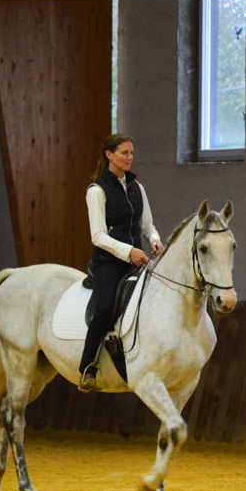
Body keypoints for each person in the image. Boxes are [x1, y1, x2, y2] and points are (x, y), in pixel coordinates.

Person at [78, 133, 163, 392]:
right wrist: (129, 252)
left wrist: (155, 239)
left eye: (132, 153)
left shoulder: (138, 187)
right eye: (124, 153)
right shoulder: (97, 190)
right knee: (104, 307)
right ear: (109, 155)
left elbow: (147, 224)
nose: (130, 158)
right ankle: (88, 366)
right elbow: (98, 236)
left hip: (136, 260)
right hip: (109, 263)